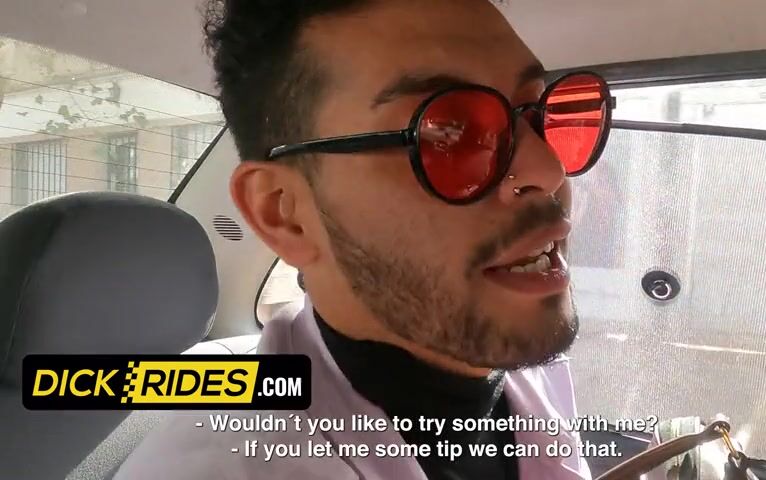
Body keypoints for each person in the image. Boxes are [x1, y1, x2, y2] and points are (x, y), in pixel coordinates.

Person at [115, 0, 616, 478]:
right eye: (446, 133)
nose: (548, 170)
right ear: (284, 215)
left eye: (536, 114)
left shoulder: (500, 352)